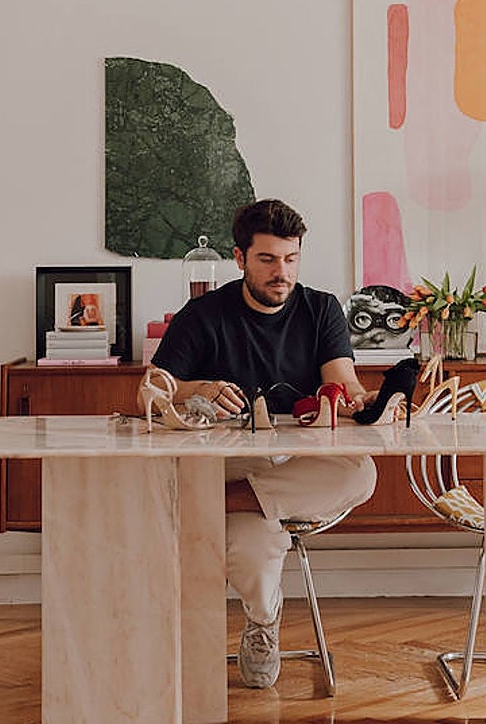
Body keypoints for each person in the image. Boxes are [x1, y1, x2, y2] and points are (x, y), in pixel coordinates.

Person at [150, 198, 379, 689]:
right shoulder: (203, 313)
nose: (282, 273)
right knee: (253, 534)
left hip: (298, 457)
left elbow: (343, 379)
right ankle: (263, 622)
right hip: (231, 455)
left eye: (291, 259)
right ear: (240, 258)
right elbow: (151, 388)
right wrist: (201, 388)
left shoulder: (321, 309)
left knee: (361, 471)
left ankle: (214, 505)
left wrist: (362, 400)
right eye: (268, 260)